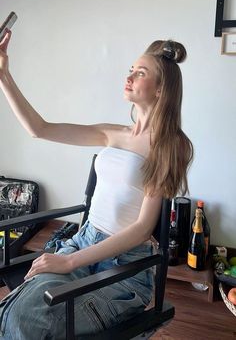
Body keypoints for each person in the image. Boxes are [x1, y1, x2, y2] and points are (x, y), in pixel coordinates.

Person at [0, 30, 193, 339]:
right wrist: (4, 76)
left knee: (30, 319)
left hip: (125, 263)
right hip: (84, 241)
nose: (129, 76)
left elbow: (144, 227)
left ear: (161, 90)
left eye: (140, 73)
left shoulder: (171, 145)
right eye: (130, 70)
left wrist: (69, 261)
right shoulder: (112, 133)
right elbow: (39, 129)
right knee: (18, 307)